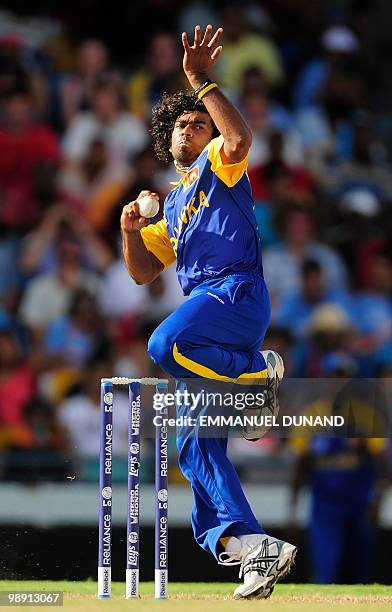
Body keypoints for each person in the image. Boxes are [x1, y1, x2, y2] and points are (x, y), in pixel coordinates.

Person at [120, 24, 296, 600]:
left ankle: (255, 380)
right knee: (193, 441)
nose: (193, 128)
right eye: (183, 123)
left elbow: (240, 138)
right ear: (165, 140)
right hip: (210, 313)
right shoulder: (170, 206)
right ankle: (252, 549)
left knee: (162, 345)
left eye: (200, 121)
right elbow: (145, 274)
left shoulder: (220, 163)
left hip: (236, 295)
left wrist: (201, 81)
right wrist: (130, 230)